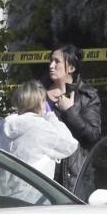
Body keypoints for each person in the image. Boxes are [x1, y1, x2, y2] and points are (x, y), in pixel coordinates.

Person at [0, 80, 78, 202]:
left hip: (7, 199)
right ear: (41, 104)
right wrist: (51, 115)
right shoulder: (44, 129)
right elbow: (70, 144)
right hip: (37, 202)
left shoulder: (2, 126)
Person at [42, 43, 101, 190]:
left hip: (74, 181)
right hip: (41, 177)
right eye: (51, 60)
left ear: (71, 68)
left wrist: (70, 111)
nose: (51, 65)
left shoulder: (87, 96)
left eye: (57, 62)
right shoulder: (38, 93)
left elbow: (93, 135)